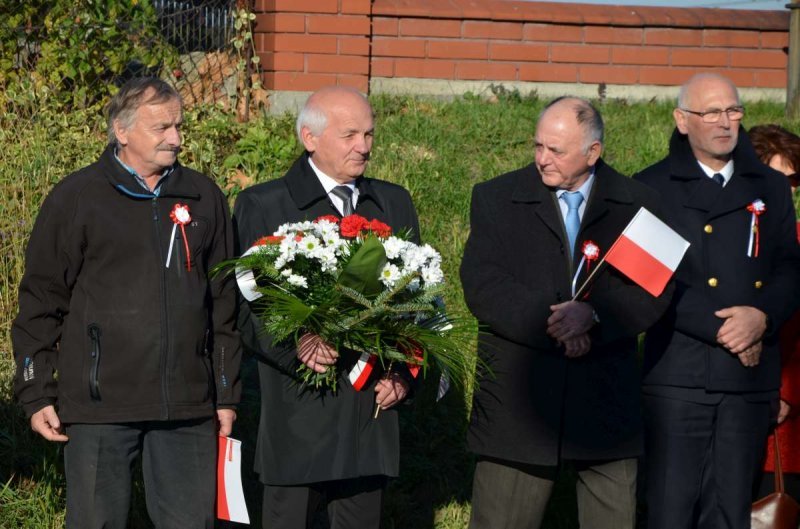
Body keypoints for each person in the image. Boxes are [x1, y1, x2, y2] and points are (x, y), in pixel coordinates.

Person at [11, 77, 241, 528]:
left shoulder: (204, 197)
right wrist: (35, 391)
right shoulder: (78, 198)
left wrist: (226, 391)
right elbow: (41, 300)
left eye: (178, 126)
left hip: (188, 407)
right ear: (122, 130)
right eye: (161, 128)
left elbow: (223, 305)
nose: (176, 138)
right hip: (100, 406)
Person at [460, 96, 673, 529]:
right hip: (518, 405)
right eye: (538, 146)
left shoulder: (639, 204)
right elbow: (484, 284)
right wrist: (556, 323)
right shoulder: (496, 198)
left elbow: (653, 291)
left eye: (556, 150)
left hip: (606, 403)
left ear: (593, 152)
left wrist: (593, 318)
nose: (542, 159)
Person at [233, 86, 421, 529]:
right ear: (310, 138)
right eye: (350, 135)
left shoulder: (393, 202)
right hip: (301, 420)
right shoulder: (265, 204)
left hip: (370, 419)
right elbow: (246, 307)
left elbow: (418, 302)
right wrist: (297, 344)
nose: (364, 147)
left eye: (369, 134)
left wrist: (404, 375)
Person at [635, 74, 800, 529]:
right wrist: (726, 329)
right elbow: (650, 278)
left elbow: (790, 268)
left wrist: (762, 318)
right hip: (679, 375)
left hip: (748, 379)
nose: (725, 122)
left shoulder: (771, 186)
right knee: (669, 512)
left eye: (733, 111)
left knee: (730, 513)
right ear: (682, 120)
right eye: (710, 112)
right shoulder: (649, 187)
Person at [749, 123, 800, 502]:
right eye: (779, 179)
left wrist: (787, 394)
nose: (789, 190)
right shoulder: (723, 237)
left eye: (794, 181)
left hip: (787, 419)